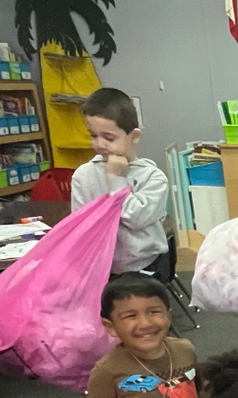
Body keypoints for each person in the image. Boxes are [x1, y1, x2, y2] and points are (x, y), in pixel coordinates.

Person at [87, 273, 220, 398]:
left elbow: (200, 394)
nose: (145, 323)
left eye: (154, 312)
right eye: (130, 316)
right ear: (110, 326)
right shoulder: (107, 370)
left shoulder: (185, 350)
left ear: (168, 317)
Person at [71, 87, 170, 281]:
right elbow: (81, 226)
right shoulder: (84, 175)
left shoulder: (153, 177)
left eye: (109, 137)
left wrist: (116, 180)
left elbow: (136, 219)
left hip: (145, 265)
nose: (99, 144)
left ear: (134, 137)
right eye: (93, 135)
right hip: (102, 268)